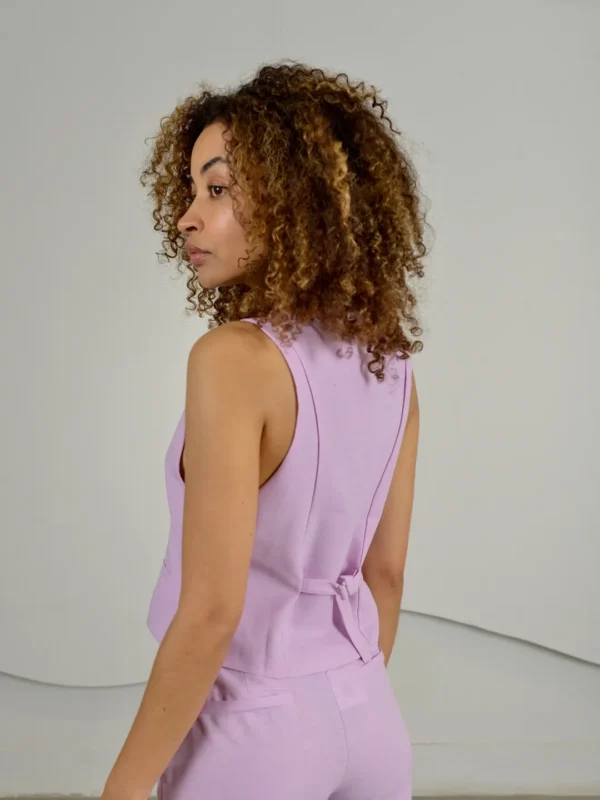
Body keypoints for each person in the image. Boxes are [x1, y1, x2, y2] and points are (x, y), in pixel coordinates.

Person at [102, 60, 426, 800]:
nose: (188, 216)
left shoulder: (232, 360)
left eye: (217, 189)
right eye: (191, 190)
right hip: (371, 715)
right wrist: (343, 701)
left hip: (253, 730)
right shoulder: (392, 366)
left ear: (293, 199)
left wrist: (121, 791)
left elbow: (212, 614)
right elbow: (385, 575)